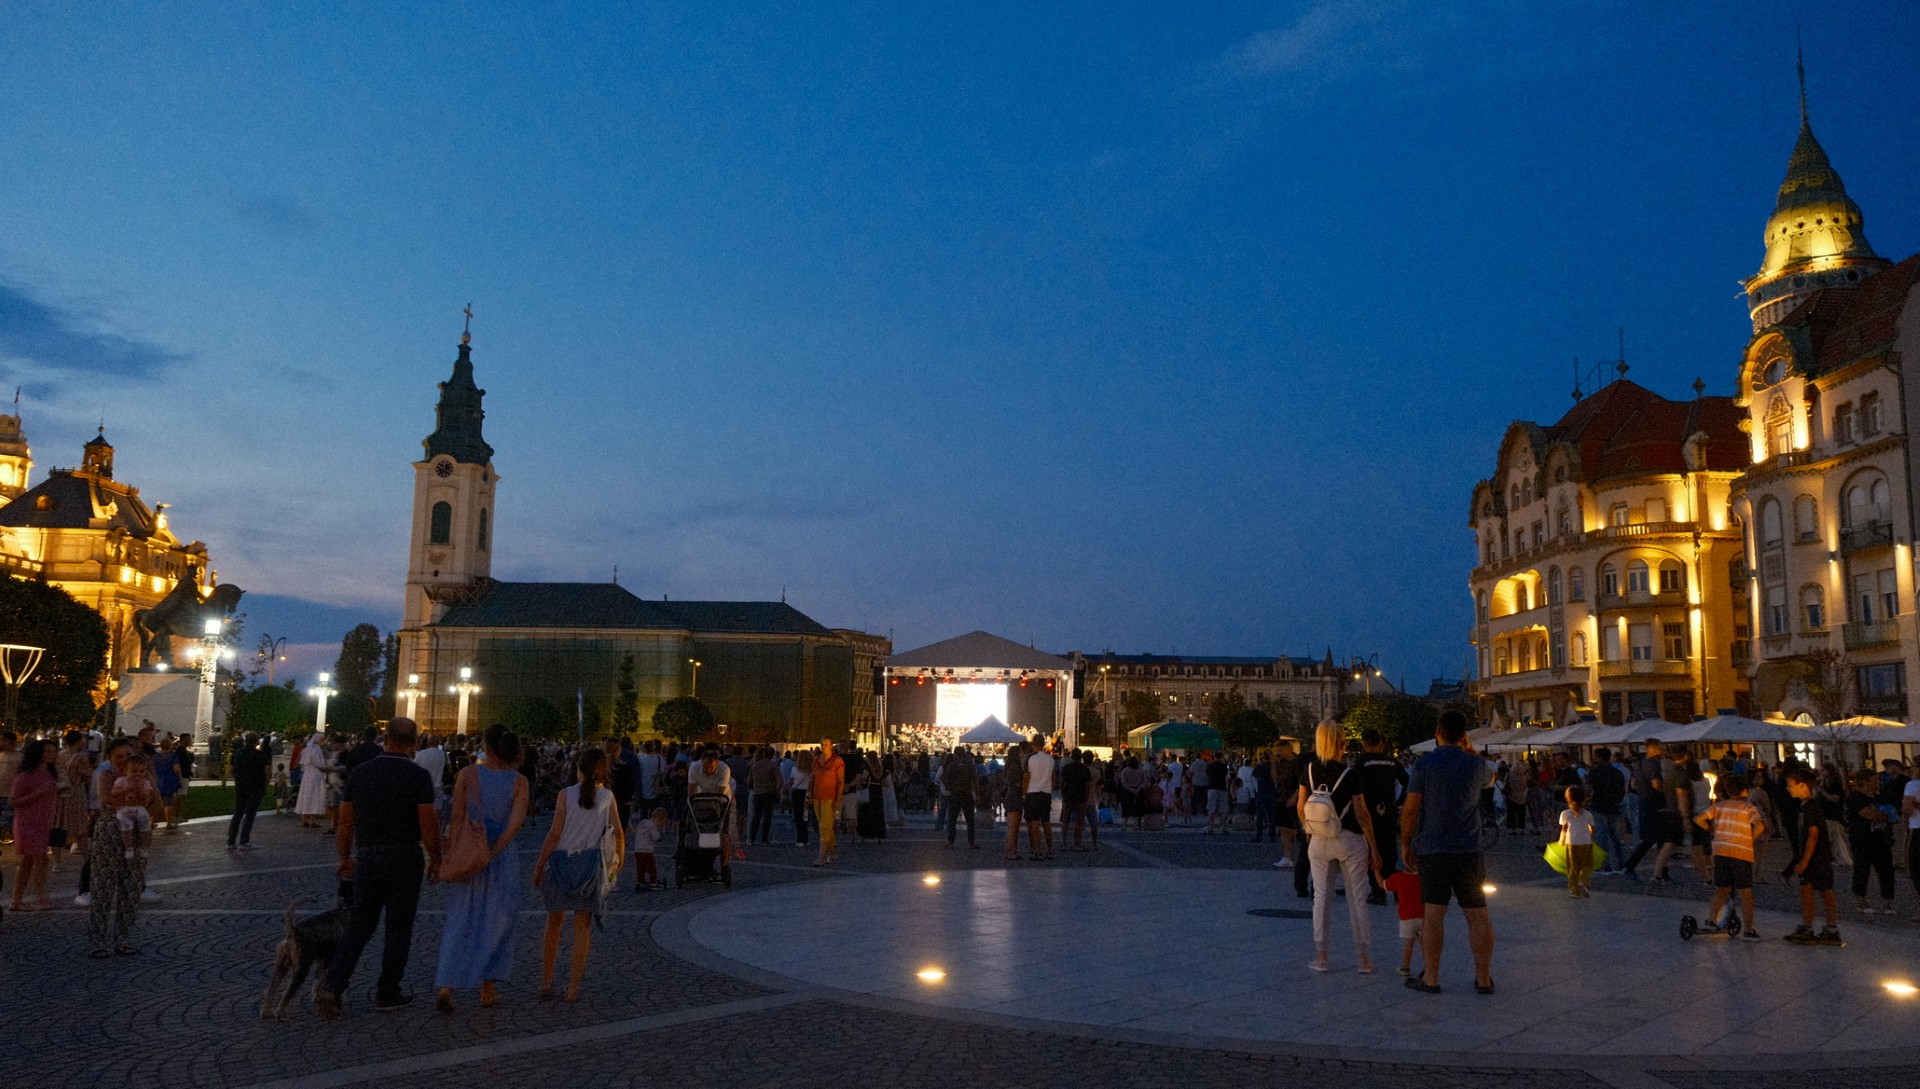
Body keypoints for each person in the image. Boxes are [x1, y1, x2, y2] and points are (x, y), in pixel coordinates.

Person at [316, 718, 442, 1016]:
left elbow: (346, 821)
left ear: (385, 739)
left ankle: (332, 985)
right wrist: (436, 859)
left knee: (359, 925)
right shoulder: (418, 776)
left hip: (368, 856)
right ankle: (388, 991)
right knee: (399, 928)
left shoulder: (361, 772)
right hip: (404, 856)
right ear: (414, 743)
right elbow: (428, 824)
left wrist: (344, 857)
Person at [434, 724, 530, 1012]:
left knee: (462, 918)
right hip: (500, 857)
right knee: (499, 921)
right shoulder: (519, 781)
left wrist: (454, 850)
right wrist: (492, 851)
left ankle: (447, 984)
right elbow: (515, 824)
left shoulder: (467, 774)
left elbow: (457, 816)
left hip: (468, 851)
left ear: (486, 747)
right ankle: (488, 989)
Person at [1400, 709, 1495, 995]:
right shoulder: (1476, 765)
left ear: (1437, 732)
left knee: (1433, 915)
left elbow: (1411, 808)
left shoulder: (1424, 765)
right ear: (1464, 736)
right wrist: (1470, 750)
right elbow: (1490, 781)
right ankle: (1483, 978)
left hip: (1433, 849)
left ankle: (1431, 978)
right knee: (1477, 914)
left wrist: (1406, 842)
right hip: (1469, 849)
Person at [533, 748, 623, 1002]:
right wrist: (619, 861)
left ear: (578, 769)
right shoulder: (607, 797)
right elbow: (617, 831)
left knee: (553, 923)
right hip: (589, 867)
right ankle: (572, 988)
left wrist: (539, 865)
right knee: (582, 928)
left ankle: (546, 981)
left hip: (561, 863)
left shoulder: (565, 795)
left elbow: (554, 833)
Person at [1297, 720, 1379, 974]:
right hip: (1349, 839)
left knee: (1321, 898)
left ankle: (1321, 956)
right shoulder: (1350, 773)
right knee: (1357, 899)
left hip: (1319, 841)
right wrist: (1374, 847)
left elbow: (1301, 807)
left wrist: (1310, 830)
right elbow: (1362, 813)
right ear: (1342, 744)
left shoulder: (1309, 770)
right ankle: (1363, 959)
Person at [87, 738, 155, 955]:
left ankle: (122, 938)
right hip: (109, 828)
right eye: (119, 756)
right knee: (103, 884)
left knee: (132, 885)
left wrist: (143, 800)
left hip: (136, 830)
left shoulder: (143, 774)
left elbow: (153, 800)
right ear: (110, 758)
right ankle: (98, 941)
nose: (124, 760)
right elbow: (106, 798)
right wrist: (132, 801)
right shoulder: (106, 775)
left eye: (128, 755)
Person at [1694, 772, 1765, 941]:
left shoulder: (1720, 806)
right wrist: (1749, 838)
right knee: (1745, 893)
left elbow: (1699, 819)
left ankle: (1711, 919)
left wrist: (1712, 830)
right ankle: (1748, 930)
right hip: (1741, 854)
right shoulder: (1748, 808)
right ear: (1745, 790)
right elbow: (1760, 826)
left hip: (1721, 852)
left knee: (1721, 889)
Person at [1782, 767, 1841, 946]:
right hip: (1820, 856)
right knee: (1824, 891)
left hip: (1815, 857)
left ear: (1802, 785)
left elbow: (1813, 834)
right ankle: (1830, 928)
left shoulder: (1810, 807)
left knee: (1810, 892)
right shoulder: (1807, 806)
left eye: (1790, 785)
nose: (1788, 788)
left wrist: (1804, 861)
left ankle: (1809, 927)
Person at [8, 739, 59, 911]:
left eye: (54, 751)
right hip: (28, 822)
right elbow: (14, 801)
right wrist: (36, 794)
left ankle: (18, 899)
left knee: (30, 861)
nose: (52, 755)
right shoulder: (25, 776)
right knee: (38, 859)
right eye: (48, 751)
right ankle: (38, 896)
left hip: (45, 822)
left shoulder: (51, 773)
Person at [1358, 730, 1406, 903]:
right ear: (1381, 743)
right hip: (1388, 811)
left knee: (1372, 851)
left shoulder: (1361, 763)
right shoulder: (1392, 762)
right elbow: (1407, 782)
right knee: (1389, 851)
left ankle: (1378, 891)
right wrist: (1399, 802)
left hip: (1369, 812)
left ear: (1364, 742)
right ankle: (1396, 886)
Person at [1843, 770, 1896, 916]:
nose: (1878, 783)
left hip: (1881, 838)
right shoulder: (1855, 798)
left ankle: (1888, 902)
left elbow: (1893, 814)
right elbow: (1870, 815)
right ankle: (1861, 900)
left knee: (1886, 870)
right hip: (1862, 839)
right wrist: (1885, 814)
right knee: (1862, 868)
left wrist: (1887, 814)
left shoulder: (1880, 797)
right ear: (1864, 782)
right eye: (1874, 780)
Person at [1585, 747, 1626, 874]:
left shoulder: (1595, 772)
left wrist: (1586, 800)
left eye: (1595, 756)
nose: (1593, 758)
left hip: (1598, 805)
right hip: (1613, 806)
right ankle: (1621, 862)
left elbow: (1588, 789)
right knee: (1614, 835)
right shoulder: (1617, 772)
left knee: (1601, 835)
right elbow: (1622, 789)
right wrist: (1617, 800)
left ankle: (1604, 864)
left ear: (1600, 758)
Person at [228, 733, 269, 850]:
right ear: (256, 741)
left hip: (241, 785)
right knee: (250, 814)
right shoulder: (260, 754)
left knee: (238, 813)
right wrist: (265, 784)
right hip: (256, 785)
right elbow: (267, 770)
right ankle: (244, 840)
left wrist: (238, 779)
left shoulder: (238, 753)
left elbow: (232, 768)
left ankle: (231, 841)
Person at [1383, 866, 1424, 977]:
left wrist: (1376, 871)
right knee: (1424, 943)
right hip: (1423, 915)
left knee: (1408, 943)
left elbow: (1383, 885)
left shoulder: (1397, 877)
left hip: (1406, 917)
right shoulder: (1423, 877)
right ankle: (1428, 966)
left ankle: (1405, 967)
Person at [810, 739, 844, 866]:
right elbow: (813, 777)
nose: (824, 746)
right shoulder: (816, 760)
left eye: (826, 744)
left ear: (831, 746)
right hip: (816, 796)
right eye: (822, 744)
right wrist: (809, 793)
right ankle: (833, 851)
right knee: (824, 825)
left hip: (830, 797)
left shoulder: (837, 761)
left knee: (825, 826)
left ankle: (822, 856)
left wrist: (838, 799)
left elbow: (840, 781)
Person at [1558, 785, 1595, 898]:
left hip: (1571, 843)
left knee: (1573, 868)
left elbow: (1564, 829)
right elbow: (1592, 830)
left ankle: (1574, 891)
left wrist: (1561, 840)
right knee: (1588, 864)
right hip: (1586, 843)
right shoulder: (1588, 814)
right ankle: (1584, 881)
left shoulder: (1565, 814)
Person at [1024, 736, 1056, 861]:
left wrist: (1024, 794)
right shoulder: (1050, 759)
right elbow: (1053, 777)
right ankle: (1050, 849)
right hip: (1046, 793)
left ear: (1033, 744)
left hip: (1033, 792)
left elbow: (1026, 778)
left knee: (1035, 823)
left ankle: (1038, 851)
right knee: (1046, 822)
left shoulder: (1031, 759)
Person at [941, 746, 979, 848]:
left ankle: (951, 842)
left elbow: (947, 779)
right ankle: (971, 842)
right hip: (967, 794)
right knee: (970, 820)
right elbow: (974, 779)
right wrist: (976, 792)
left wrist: (950, 788)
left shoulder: (952, 765)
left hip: (955, 794)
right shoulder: (969, 765)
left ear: (955, 754)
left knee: (952, 819)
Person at [1060, 749, 1094, 851]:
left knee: (1066, 822)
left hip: (1068, 797)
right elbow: (1088, 785)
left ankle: (1064, 844)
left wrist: (1063, 795)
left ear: (1072, 757)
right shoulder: (1085, 769)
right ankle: (1077, 844)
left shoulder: (1067, 768)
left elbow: (1062, 783)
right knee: (1079, 822)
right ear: (1081, 757)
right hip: (1080, 798)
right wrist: (1086, 797)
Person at [632, 806, 669, 889]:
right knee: (651, 867)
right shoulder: (653, 826)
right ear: (660, 819)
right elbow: (655, 837)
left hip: (637, 849)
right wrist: (658, 837)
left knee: (640, 867)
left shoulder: (642, 823)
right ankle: (653, 881)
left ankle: (640, 880)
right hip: (647, 850)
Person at [789, 749, 813, 847]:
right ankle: (805, 837)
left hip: (797, 792)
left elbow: (791, 781)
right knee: (805, 815)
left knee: (797, 816)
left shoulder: (794, 769)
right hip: (807, 793)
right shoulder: (812, 771)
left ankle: (800, 838)